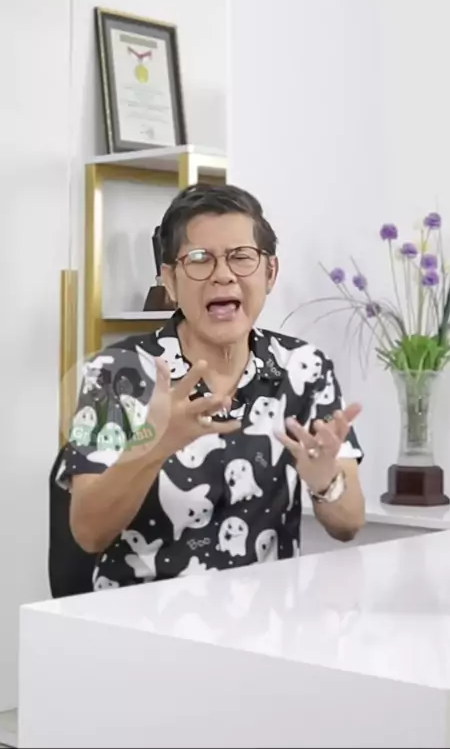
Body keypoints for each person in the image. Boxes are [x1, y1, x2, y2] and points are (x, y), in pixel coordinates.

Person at [57, 184, 365, 591]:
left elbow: (349, 524)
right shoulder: (118, 374)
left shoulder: (304, 368)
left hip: (267, 618)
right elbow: (88, 533)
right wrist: (154, 445)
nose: (223, 275)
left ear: (270, 273)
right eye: (199, 259)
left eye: (241, 257)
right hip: (142, 617)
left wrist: (325, 480)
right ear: (170, 280)